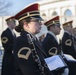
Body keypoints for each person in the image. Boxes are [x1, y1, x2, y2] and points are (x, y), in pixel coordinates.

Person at [13, 3, 53, 75]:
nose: (41, 24)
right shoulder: (22, 42)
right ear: (26, 25)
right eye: (37, 21)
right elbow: (30, 71)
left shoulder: (34, 40)